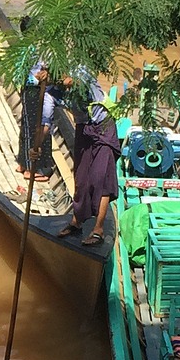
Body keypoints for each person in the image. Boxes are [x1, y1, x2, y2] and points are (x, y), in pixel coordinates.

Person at [59, 79, 121, 245]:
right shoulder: (52, 89)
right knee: (81, 178)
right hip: (83, 129)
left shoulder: (79, 68)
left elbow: (82, 78)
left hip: (103, 125)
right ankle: (76, 221)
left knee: (100, 177)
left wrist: (73, 82)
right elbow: (45, 115)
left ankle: (98, 229)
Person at [16, 61, 57, 197]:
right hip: (30, 87)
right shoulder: (30, 49)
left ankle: (29, 164)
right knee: (29, 127)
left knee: (34, 127)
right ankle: (27, 164)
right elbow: (22, 71)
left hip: (38, 89)